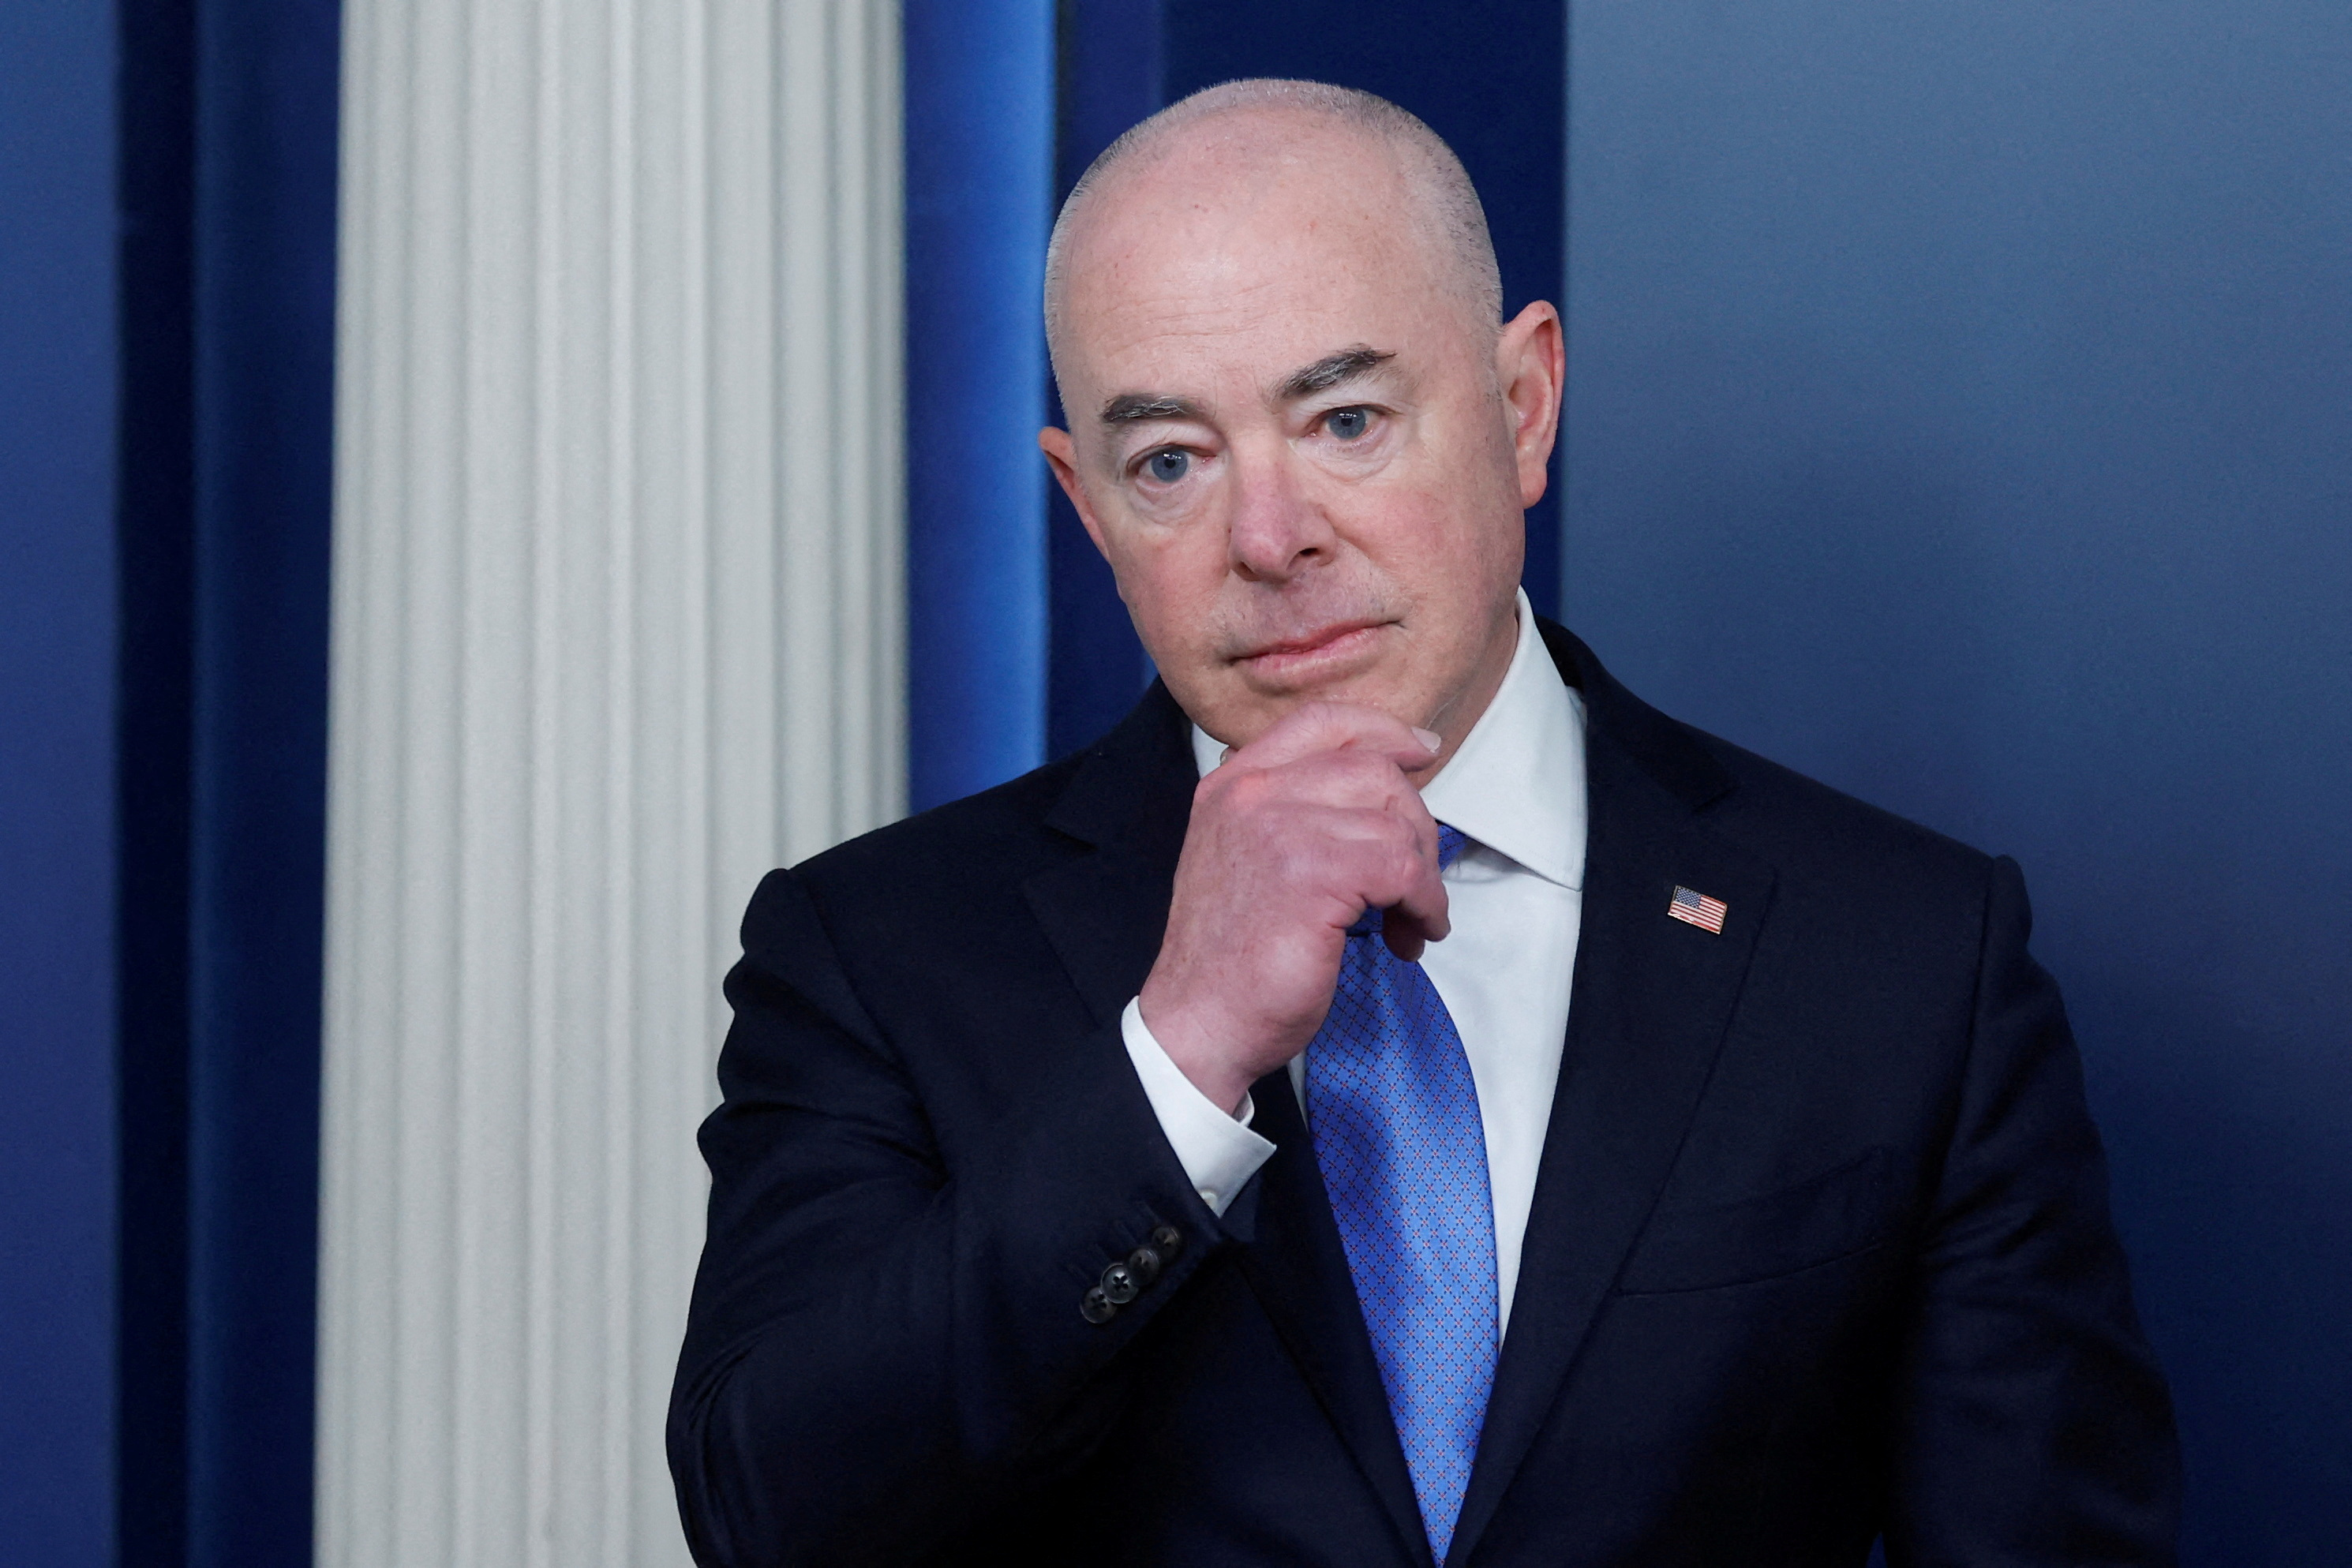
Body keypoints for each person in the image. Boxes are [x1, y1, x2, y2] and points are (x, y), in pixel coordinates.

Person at [668, 80, 2178, 1566]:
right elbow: (772, 1514)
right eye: (1171, 463)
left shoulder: (1902, 955)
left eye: (1345, 419)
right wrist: (1178, 1058)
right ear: (1087, 505)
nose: (1269, 537)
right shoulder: (873, 951)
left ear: (1523, 408)